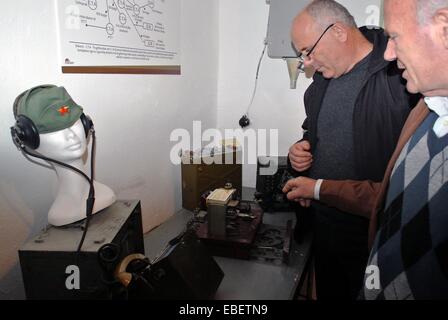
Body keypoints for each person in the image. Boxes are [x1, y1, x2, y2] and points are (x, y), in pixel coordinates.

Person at [284, 0, 448, 300]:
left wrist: (319, 188)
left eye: (308, 50)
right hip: (325, 226)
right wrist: (299, 154)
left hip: (370, 232)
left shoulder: (401, 77)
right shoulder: (319, 84)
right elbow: (313, 135)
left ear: (337, 32)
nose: (305, 62)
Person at [12, 85, 116, 226]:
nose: (71, 136)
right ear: (27, 137)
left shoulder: (106, 193)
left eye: (73, 123)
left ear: (85, 123)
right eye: (55, 130)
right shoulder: (59, 215)